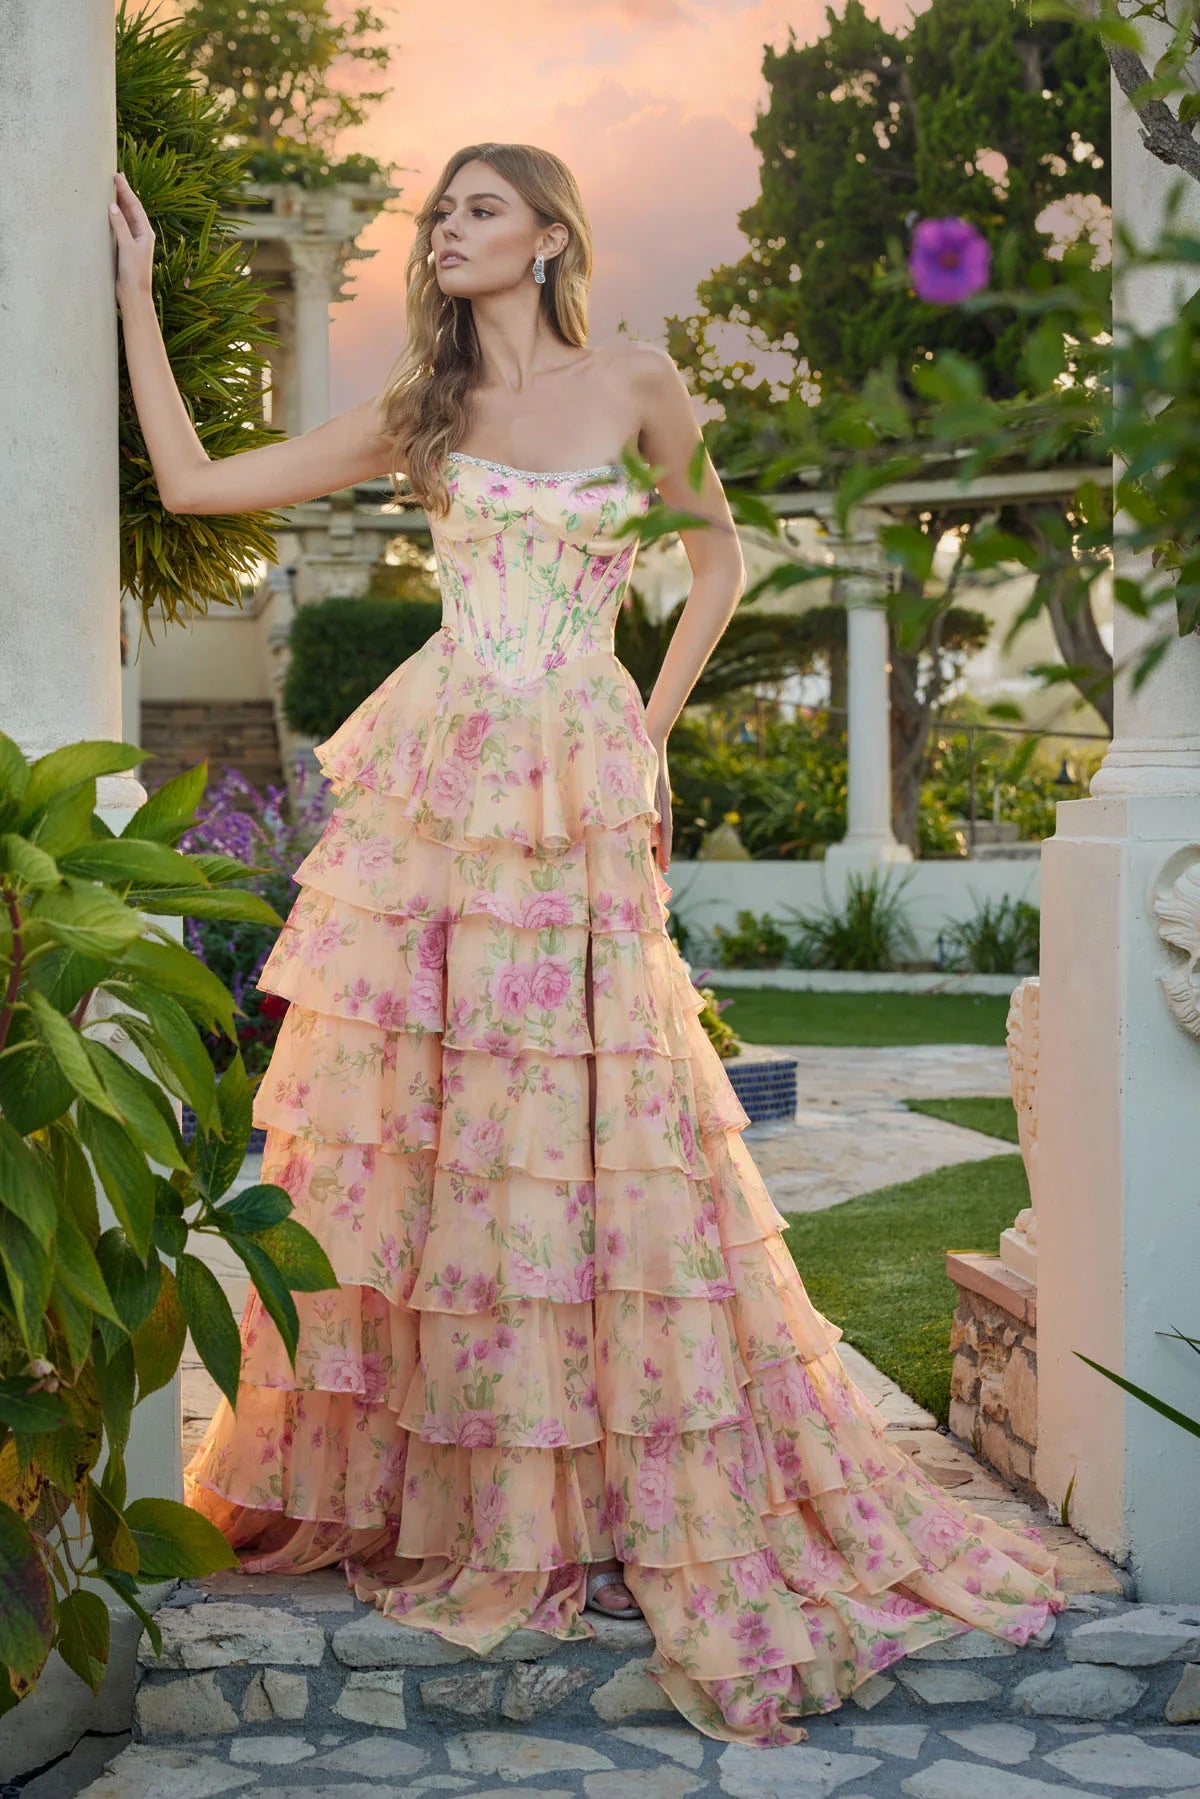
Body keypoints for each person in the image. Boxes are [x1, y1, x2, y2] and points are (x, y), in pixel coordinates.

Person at [109, 140, 1062, 1749]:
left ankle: (618, 1480)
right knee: (450, 1137)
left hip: (575, 777)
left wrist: (656, 730)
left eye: (482, 207)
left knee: (599, 1135)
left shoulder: (636, 380)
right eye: (443, 213)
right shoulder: (425, 414)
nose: (451, 229)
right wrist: (134, 295)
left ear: (551, 234)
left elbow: (715, 559)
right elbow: (204, 485)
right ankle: (463, 1486)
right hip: (447, 782)